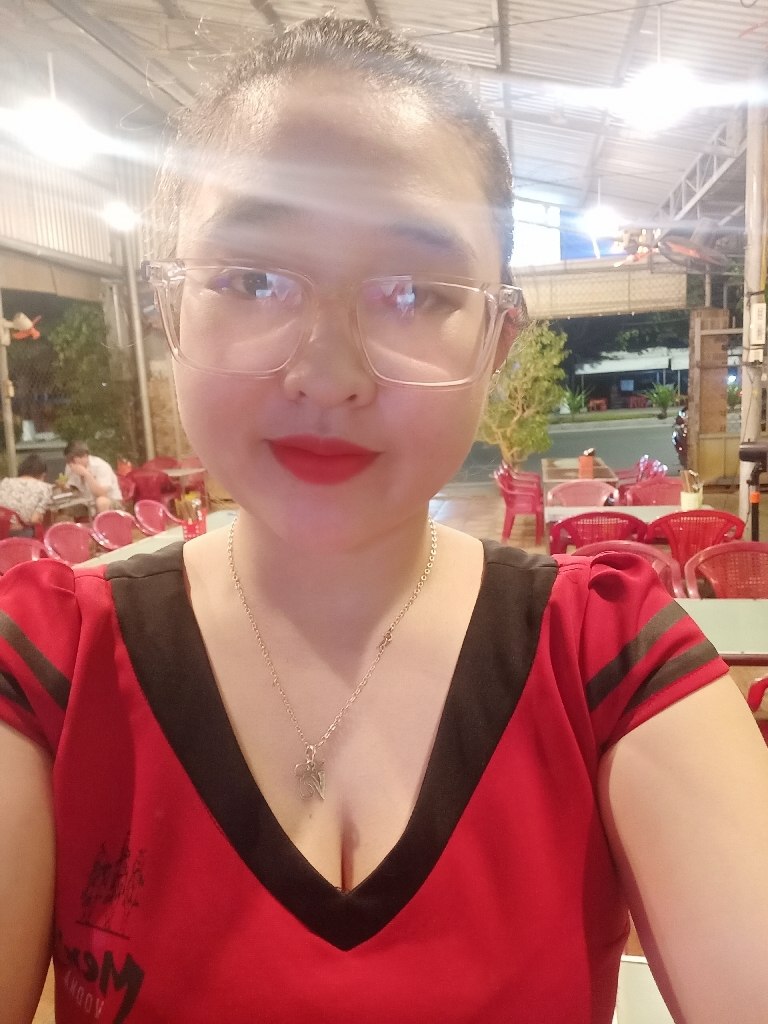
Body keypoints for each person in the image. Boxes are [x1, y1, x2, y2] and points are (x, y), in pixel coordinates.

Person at [2, 17, 768, 1024]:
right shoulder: (49, 665)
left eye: (414, 292)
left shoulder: (603, 657)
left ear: (498, 339)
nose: (328, 374)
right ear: (169, 310)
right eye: (253, 280)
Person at [63, 440, 123, 515]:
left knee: (101, 502)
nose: (71, 464)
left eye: (73, 461)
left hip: (109, 500)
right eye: (68, 461)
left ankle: (102, 522)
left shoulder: (101, 466)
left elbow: (102, 493)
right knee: (64, 508)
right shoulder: (70, 467)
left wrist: (86, 474)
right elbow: (72, 490)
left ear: (85, 457)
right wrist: (64, 487)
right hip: (85, 502)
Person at [0, 454, 52, 535]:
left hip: (2, 529)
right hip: (19, 532)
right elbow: (34, 519)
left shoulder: (5, 482)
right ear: (43, 475)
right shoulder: (44, 488)